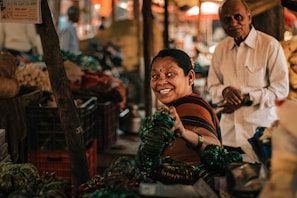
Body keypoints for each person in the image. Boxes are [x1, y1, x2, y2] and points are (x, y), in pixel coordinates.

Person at [207, 0, 289, 154]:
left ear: (249, 18)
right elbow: (212, 86)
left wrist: (246, 98)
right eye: (227, 19)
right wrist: (225, 92)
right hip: (230, 135)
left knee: (261, 177)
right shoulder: (220, 50)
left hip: (260, 136)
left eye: (238, 17)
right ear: (221, 23)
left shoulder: (270, 46)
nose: (233, 23)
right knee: (232, 176)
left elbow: (280, 91)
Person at [150, 48, 222, 165]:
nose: (161, 82)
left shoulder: (192, 108)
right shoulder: (175, 109)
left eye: (170, 74)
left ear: (190, 77)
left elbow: (215, 147)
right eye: (155, 76)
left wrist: (184, 133)